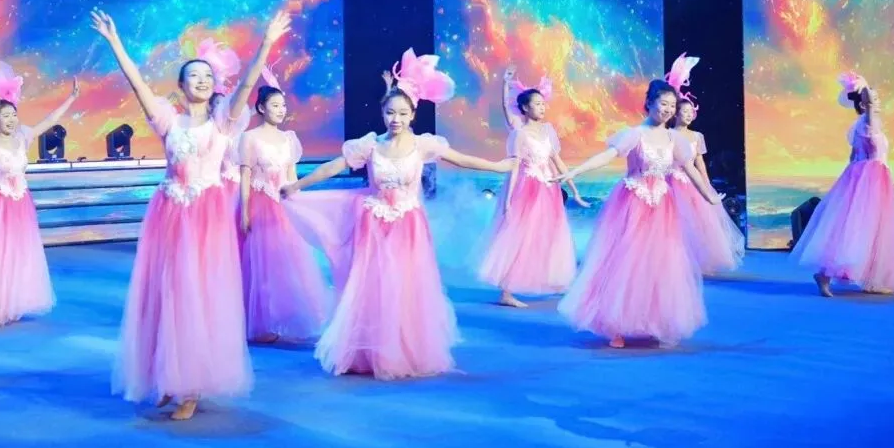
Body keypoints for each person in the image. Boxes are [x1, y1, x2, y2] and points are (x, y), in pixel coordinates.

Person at [92, 7, 288, 421]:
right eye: (193, 75)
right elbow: (137, 84)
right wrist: (115, 43)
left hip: (206, 218)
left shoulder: (223, 121)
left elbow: (247, 84)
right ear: (180, 86)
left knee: (198, 295)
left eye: (207, 76)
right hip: (168, 214)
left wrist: (267, 43)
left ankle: (192, 385)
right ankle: (168, 373)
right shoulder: (169, 120)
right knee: (165, 292)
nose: (201, 80)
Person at [281, 48, 514, 380]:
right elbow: (333, 166)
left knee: (405, 287)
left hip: (408, 225)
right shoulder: (370, 145)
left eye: (403, 113)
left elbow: (461, 159)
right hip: (373, 224)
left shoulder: (423, 145)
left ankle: (405, 349)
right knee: (372, 286)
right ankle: (367, 351)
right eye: (390, 112)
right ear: (382, 112)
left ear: (413, 114)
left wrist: (497, 166)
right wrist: (298, 184)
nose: (396, 119)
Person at [557, 79, 720, 349]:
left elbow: (690, 169)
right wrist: (576, 171)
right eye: (663, 104)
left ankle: (654, 322)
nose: (668, 110)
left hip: (662, 206)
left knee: (660, 264)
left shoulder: (675, 139)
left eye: (672, 106)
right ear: (649, 103)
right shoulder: (634, 134)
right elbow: (607, 156)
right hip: (633, 202)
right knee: (624, 261)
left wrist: (709, 196)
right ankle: (615, 325)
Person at [0, 63, 80, 327]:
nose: (11, 119)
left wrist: (72, 98)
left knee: (18, 253)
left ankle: (12, 301)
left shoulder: (24, 137)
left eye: (13, 115)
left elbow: (49, 121)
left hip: (20, 204)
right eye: (5, 116)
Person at [791, 73, 894, 296]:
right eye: (874, 100)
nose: (878, 102)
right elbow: (868, 107)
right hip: (871, 179)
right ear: (864, 104)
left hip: (869, 178)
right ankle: (826, 274)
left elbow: (852, 156)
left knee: (871, 229)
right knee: (860, 228)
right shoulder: (868, 120)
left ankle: (870, 279)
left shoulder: (862, 125)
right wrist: (864, 88)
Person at [478, 66, 588, 308]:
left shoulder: (548, 131)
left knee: (550, 236)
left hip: (549, 190)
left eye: (543, 103)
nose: (542, 107)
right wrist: (508, 201)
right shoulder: (520, 131)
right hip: (528, 190)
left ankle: (553, 281)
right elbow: (514, 166)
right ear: (525, 108)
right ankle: (506, 292)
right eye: (537, 104)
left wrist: (574, 189)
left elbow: (558, 162)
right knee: (519, 236)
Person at [238, 73, 329, 343]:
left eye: (283, 105)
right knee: (262, 265)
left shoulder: (288, 138)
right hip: (260, 205)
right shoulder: (249, 138)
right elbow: (245, 177)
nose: (281, 110)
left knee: (288, 263)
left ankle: (285, 319)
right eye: (275, 105)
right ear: (261, 108)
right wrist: (245, 211)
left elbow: (292, 176)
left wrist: (299, 206)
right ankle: (262, 323)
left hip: (284, 206)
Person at [663, 54, 744, 274]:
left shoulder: (697, 136)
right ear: (675, 114)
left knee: (697, 223)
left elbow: (700, 162)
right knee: (672, 222)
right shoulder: (668, 134)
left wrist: (706, 184)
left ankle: (696, 261)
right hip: (671, 182)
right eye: (684, 112)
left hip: (692, 184)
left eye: (692, 112)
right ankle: (673, 261)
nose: (689, 115)